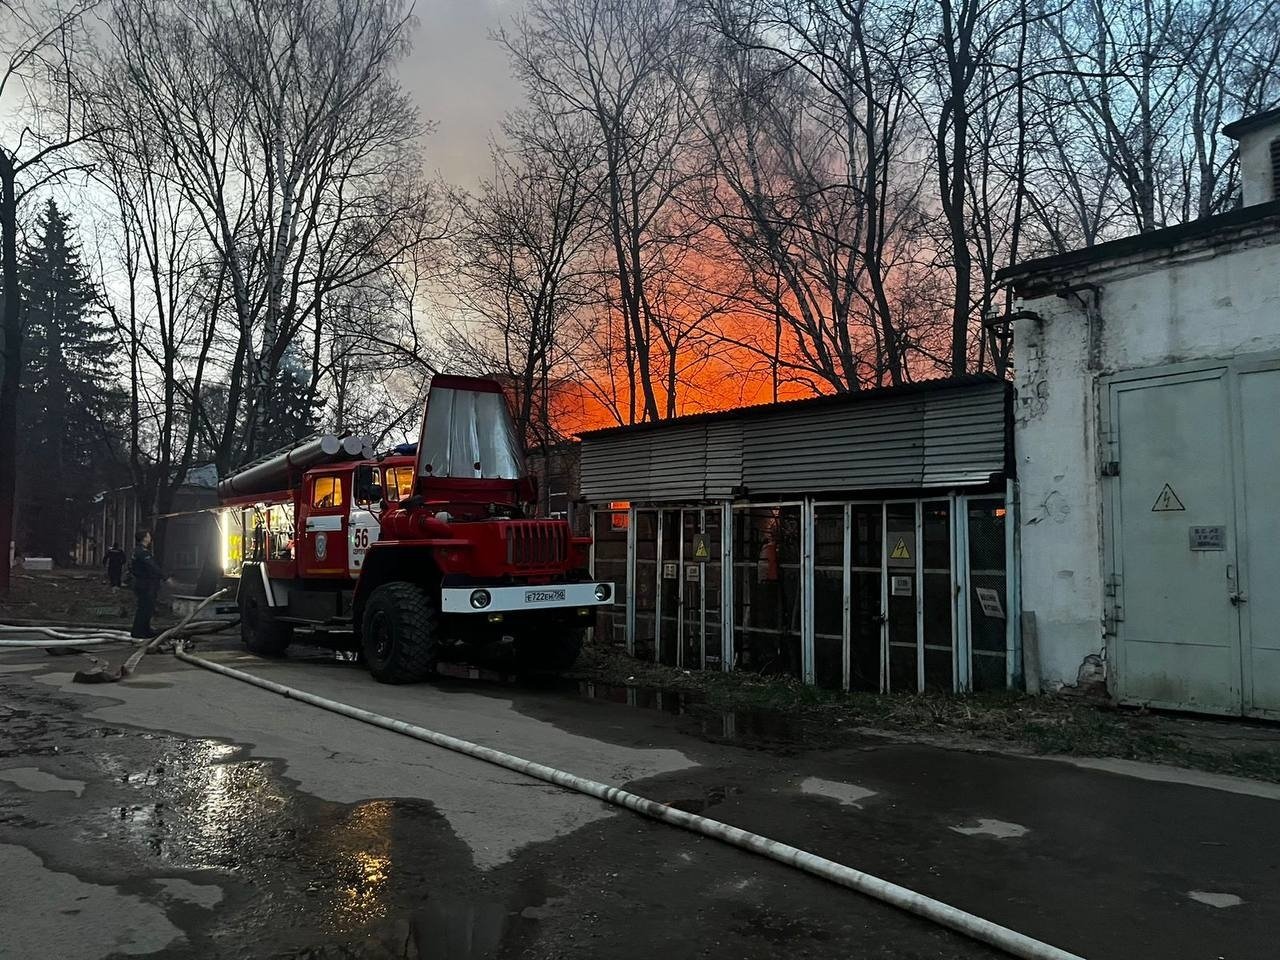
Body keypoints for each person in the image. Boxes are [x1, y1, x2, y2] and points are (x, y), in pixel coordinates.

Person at [130, 530, 168, 639]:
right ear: (144, 538)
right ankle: (138, 632)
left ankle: (146, 629)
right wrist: (164, 576)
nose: (150, 537)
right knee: (144, 608)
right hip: (145, 584)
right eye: (148, 536)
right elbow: (152, 566)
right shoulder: (143, 552)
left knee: (147, 607)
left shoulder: (138, 551)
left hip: (142, 583)